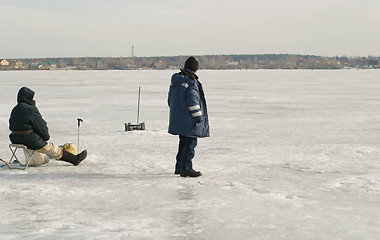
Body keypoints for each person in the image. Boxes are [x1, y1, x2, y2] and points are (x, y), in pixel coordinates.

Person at [9, 87, 87, 166]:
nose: (34, 99)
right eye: (32, 97)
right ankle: (75, 159)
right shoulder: (30, 109)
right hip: (29, 140)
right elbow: (40, 125)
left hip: (15, 139)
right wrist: (45, 138)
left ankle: (39, 161)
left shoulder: (15, 109)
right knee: (52, 148)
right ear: (28, 97)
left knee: (37, 162)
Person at [168, 56, 210, 177]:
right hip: (189, 120)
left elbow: (170, 100)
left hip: (179, 118)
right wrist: (198, 118)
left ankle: (179, 167)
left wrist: (177, 112)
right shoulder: (191, 82)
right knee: (190, 144)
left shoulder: (176, 82)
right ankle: (186, 168)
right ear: (195, 69)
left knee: (183, 143)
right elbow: (193, 101)